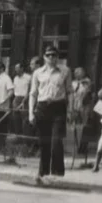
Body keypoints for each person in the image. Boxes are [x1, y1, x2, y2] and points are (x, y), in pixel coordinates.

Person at [28, 45, 74, 181]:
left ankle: (57, 173)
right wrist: (31, 113)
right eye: (48, 55)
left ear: (58, 57)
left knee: (56, 141)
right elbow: (33, 94)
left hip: (58, 107)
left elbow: (70, 92)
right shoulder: (37, 73)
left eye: (54, 55)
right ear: (44, 57)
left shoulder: (65, 71)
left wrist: (71, 110)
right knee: (44, 142)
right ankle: (43, 172)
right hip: (42, 107)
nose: (51, 58)